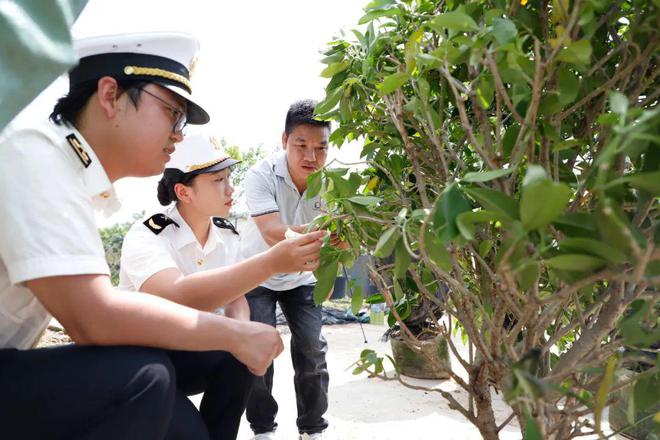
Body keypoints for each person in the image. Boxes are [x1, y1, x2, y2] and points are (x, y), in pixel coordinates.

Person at [0, 32, 324, 440]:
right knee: (141, 378)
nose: (177, 134)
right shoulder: (36, 157)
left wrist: (238, 334)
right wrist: (237, 327)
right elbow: (93, 317)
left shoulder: (68, 174)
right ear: (109, 95)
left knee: (187, 376)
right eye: (173, 113)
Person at [119, 133, 326, 439]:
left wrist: (242, 331)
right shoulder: (149, 234)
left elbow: (235, 299)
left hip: (190, 352)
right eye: (218, 180)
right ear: (184, 192)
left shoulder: (227, 234)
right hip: (145, 362)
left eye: (229, 177)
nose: (231, 189)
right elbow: (173, 297)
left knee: (239, 353)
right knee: (190, 433)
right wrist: (271, 262)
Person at [241, 100, 337, 440]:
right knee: (259, 351)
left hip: (304, 278)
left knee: (312, 350)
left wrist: (329, 272)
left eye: (320, 147)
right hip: (257, 274)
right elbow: (271, 231)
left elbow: (340, 243)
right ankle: (263, 429)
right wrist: (328, 231)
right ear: (285, 140)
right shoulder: (260, 175)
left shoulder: (332, 184)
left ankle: (312, 429)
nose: (311, 156)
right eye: (301, 145)